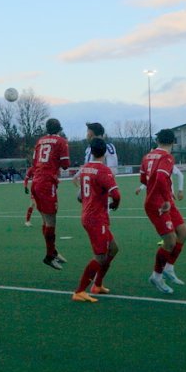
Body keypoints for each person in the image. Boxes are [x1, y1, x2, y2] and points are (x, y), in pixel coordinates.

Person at [137, 129, 186, 294]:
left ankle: (169, 268)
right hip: (158, 204)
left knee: (183, 233)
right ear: (173, 142)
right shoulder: (167, 157)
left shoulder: (147, 156)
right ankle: (156, 276)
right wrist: (166, 198)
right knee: (170, 241)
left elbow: (143, 178)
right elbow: (160, 177)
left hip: (164, 201)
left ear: (157, 141)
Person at [72, 138, 121, 302]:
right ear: (105, 152)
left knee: (113, 249)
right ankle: (79, 291)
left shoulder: (85, 169)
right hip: (96, 218)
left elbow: (80, 196)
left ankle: (97, 285)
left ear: (91, 152)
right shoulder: (103, 170)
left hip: (89, 215)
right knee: (100, 256)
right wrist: (115, 204)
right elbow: (116, 195)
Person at [30, 118, 71, 269]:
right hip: (47, 182)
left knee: (45, 220)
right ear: (59, 129)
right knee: (51, 220)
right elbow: (66, 165)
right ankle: (49, 256)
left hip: (36, 181)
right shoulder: (61, 141)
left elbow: (34, 163)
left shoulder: (40, 141)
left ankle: (53, 251)